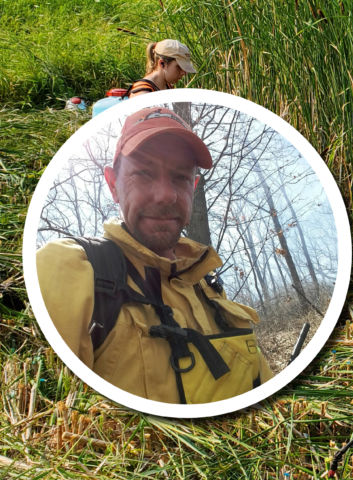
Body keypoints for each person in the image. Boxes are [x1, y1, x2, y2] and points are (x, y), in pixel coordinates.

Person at [36, 106, 273, 405]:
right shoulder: (71, 269)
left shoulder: (210, 288)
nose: (165, 195)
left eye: (180, 178)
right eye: (144, 174)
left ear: (194, 187)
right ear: (113, 185)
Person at [128, 39, 197, 97]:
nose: (184, 72)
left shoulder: (167, 87)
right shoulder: (142, 93)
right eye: (179, 67)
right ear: (162, 63)